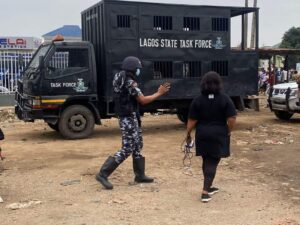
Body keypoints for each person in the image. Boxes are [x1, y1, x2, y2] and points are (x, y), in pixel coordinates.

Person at [96, 56, 170, 189]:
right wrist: (159, 93)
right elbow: (143, 100)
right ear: (132, 68)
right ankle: (103, 173)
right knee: (127, 148)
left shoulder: (120, 76)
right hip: (128, 117)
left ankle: (140, 175)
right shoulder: (129, 82)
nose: (139, 71)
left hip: (130, 116)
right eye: (138, 69)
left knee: (137, 145)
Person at [185, 71, 236, 202]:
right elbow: (231, 118)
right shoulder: (225, 99)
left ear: (203, 84)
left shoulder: (198, 100)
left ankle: (209, 186)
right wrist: (229, 130)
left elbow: (192, 120)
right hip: (219, 133)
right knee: (213, 161)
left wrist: (188, 134)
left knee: (206, 159)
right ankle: (205, 191)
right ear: (219, 84)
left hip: (202, 133)